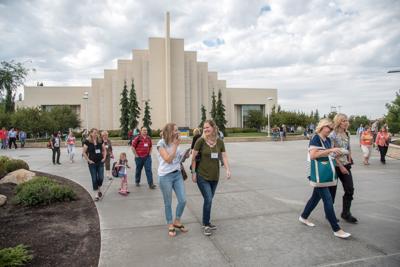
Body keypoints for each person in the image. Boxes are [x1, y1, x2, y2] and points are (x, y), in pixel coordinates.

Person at [299, 118, 351, 239]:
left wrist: (336, 154)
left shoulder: (327, 140)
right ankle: (336, 229)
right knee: (327, 199)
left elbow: (328, 154)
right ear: (322, 126)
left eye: (332, 128)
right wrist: (330, 150)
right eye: (329, 127)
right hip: (317, 173)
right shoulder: (315, 138)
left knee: (315, 198)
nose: (330, 130)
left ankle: (303, 217)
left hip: (324, 173)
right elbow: (313, 155)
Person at [191, 119, 231, 236]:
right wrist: (193, 172)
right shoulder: (200, 141)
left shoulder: (219, 142)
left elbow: (224, 157)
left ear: (213, 128)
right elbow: (193, 158)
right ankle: (206, 225)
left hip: (215, 176)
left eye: (207, 127)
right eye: (204, 128)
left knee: (209, 200)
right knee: (208, 199)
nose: (205, 129)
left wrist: (228, 169)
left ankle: (206, 221)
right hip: (202, 175)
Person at [157, 122, 190, 237]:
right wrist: (175, 146)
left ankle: (177, 220)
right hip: (165, 176)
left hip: (177, 175)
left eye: (178, 130)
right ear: (169, 131)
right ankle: (170, 223)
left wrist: (185, 155)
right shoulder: (161, 143)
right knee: (168, 202)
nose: (178, 132)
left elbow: (177, 159)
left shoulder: (177, 143)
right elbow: (168, 160)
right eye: (175, 130)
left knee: (183, 200)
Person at [330, 114, 358, 224]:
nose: (346, 122)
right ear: (338, 122)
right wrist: (340, 166)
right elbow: (331, 152)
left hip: (345, 164)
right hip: (335, 166)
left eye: (346, 120)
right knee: (332, 192)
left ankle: (346, 213)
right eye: (343, 121)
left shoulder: (347, 133)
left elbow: (348, 148)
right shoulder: (333, 135)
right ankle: (330, 214)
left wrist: (349, 159)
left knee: (350, 189)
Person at [82, 128, 107, 201]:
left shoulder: (100, 140)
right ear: (91, 133)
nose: (95, 134)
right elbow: (84, 152)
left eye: (97, 133)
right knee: (94, 178)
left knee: (101, 177)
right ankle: (96, 194)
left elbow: (104, 150)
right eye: (94, 133)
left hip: (100, 162)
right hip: (92, 163)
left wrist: (104, 158)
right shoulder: (87, 141)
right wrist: (88, 160)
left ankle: (99, 188)